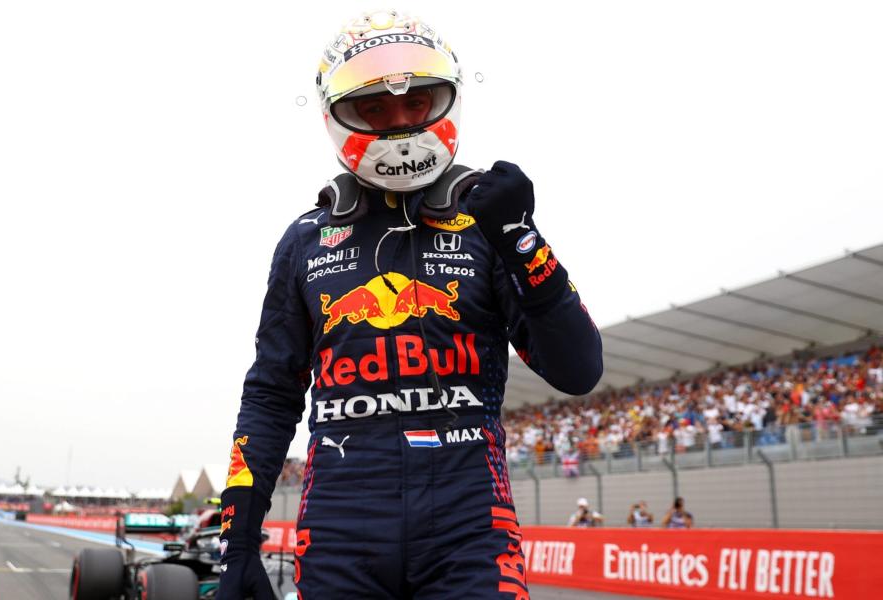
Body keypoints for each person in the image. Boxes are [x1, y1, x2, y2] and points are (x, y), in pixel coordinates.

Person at [216, 9, 603, 599]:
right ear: (337, 115)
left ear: (444, 99)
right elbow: (271, 395)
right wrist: (238, 541)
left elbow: (579, 370)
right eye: (374, 107)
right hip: (342, 524)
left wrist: (523, 240)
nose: (398, 122)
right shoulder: (304, 240)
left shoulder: (489, 221)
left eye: (415, 102)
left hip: (470, 522)